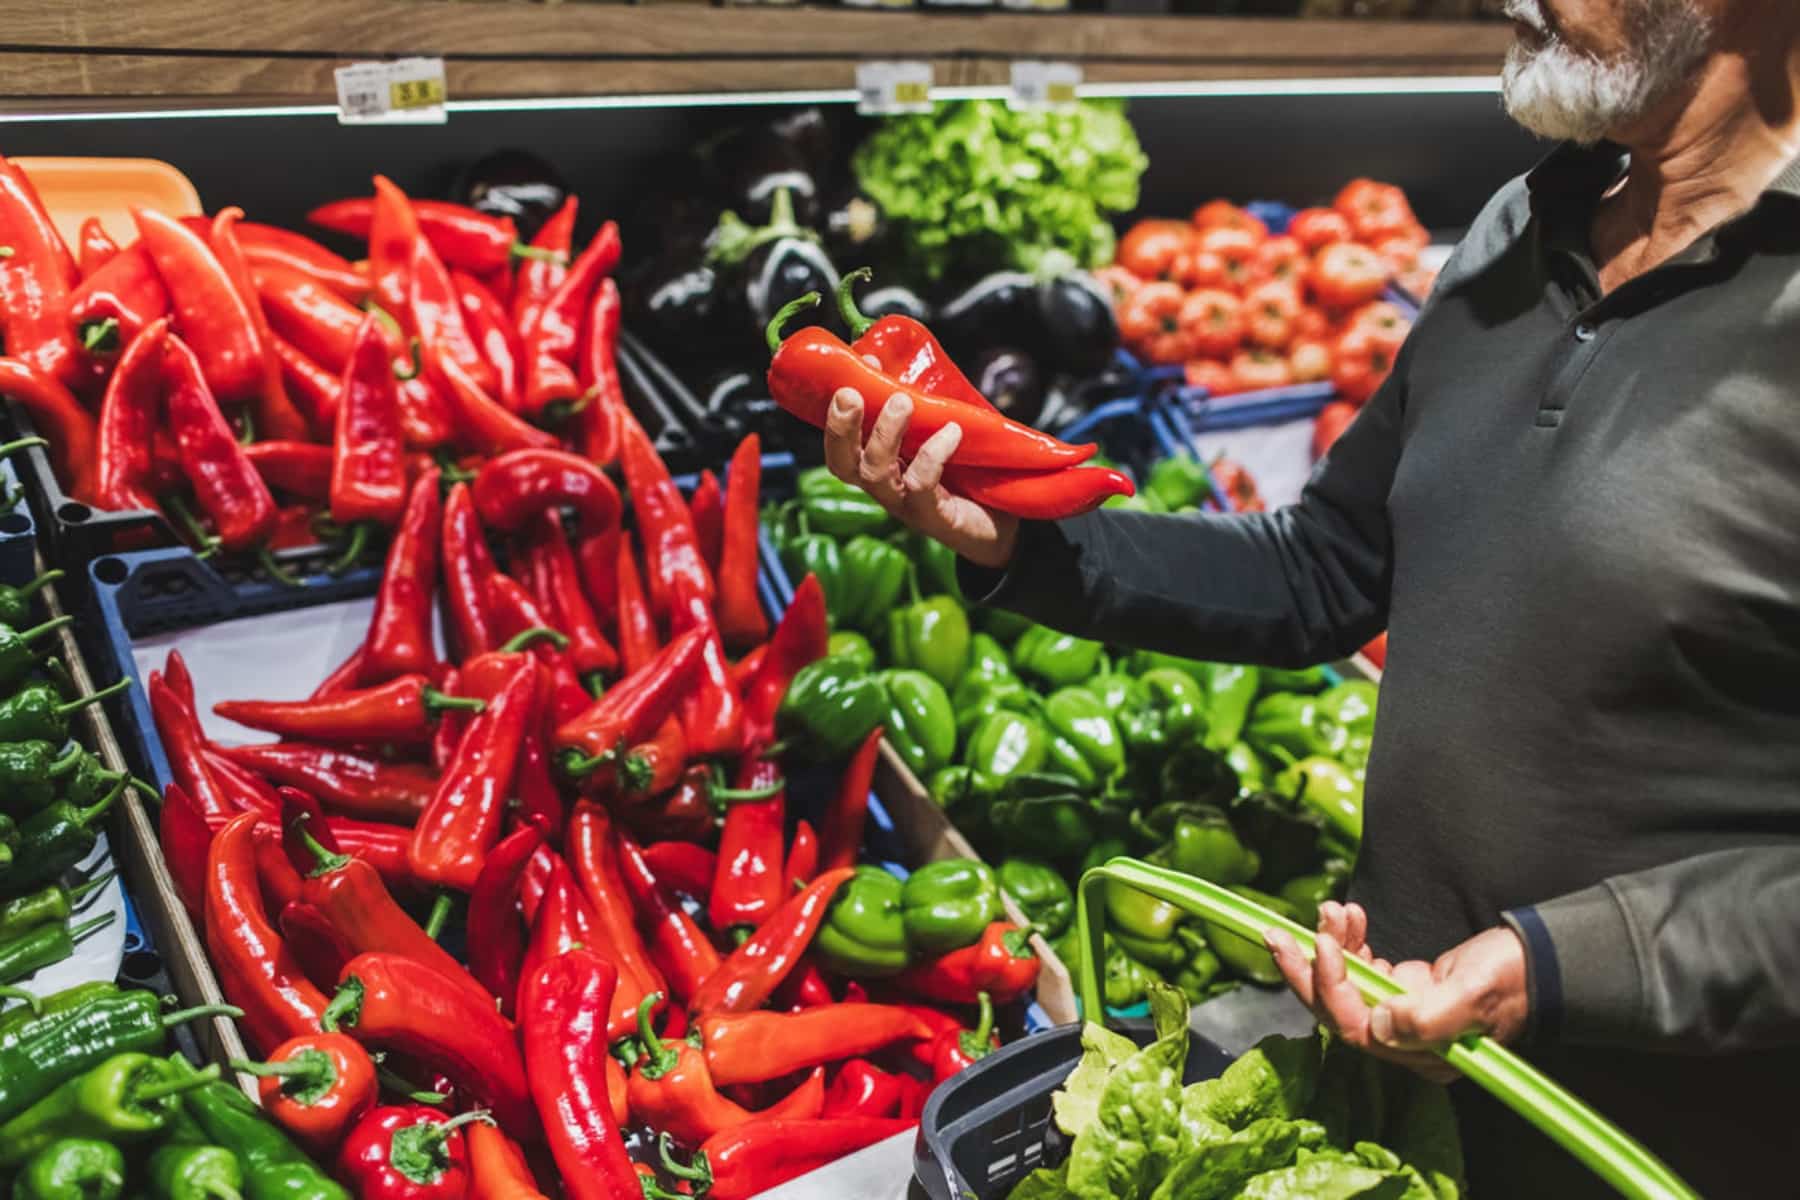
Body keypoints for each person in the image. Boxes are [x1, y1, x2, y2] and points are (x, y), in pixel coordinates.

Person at [819, 0, 1800, 1191]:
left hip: (1663, 1141)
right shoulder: (1523, 225)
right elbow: (1331, 562)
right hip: (1397, 1083)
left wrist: (1552, 966)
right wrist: (1025, 545)